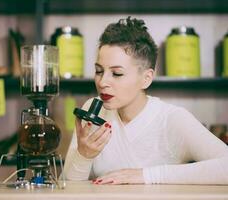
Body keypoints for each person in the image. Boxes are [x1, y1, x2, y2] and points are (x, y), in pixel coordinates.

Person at [63, 16, 228, 185]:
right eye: (99, 71)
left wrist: (147, 175)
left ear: (146, 78)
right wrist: (83, 156)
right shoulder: (92, 109)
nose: (102, 82)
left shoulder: (172, 119)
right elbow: (70, 186)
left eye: (117, 73)